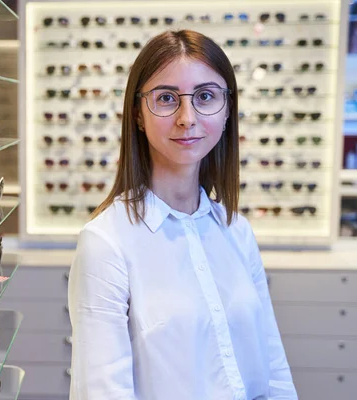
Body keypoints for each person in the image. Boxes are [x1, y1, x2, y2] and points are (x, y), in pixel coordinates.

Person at [67, 30, 297, 400]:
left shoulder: (235, 229)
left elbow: (273, 366)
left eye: (205, 96)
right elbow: (103, 391)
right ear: (139, 115)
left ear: (227, 111)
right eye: (166, 99)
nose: (187, 117)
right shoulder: (106, 242)